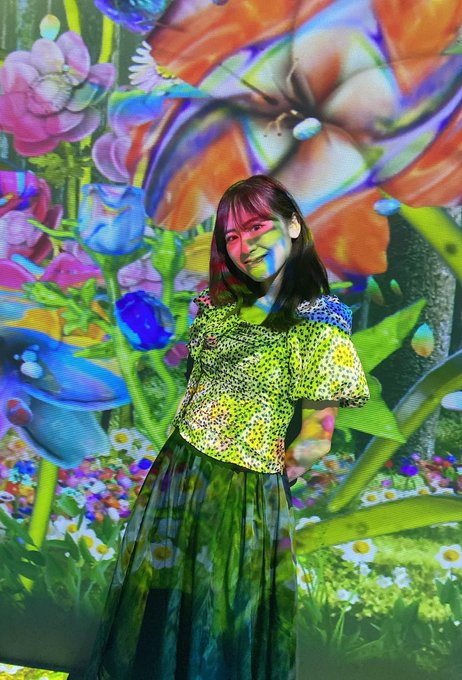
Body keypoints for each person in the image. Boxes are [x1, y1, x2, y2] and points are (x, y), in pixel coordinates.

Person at [84, 175, 370, 680]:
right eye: (232, 236)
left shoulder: (319, 324)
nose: (245, 245)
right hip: (178, 476)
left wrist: (258, 490)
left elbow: (316, 438)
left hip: (244, 492)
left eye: (257, 226)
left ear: (293, 225)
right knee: (161, 608)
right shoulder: (216, 309)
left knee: (219, 619)